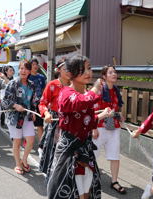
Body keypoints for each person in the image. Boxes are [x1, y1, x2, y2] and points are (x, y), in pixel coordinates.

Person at [47, 55, 111, 199]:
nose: (88, 73)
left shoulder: (85, 94)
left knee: (87, 192)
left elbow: (86, 121)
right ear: (70, 74)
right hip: (69, 149)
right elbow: (80, 102)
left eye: (89, 68)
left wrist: (101, 116)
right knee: (69, 191)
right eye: (82, 70)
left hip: (85, 148)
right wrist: (94, 90)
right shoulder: (66, 93)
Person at [92, 65, 126, 194]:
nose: (114, 74)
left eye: (115, 72)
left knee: (115, 155)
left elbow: (115, 108)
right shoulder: (98, 90)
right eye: (110, 72)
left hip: (113, 126)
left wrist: (119, 114)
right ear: (104, 76)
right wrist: (93, 128)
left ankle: (114, 181)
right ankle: (90, 180)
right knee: (93, 155)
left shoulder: (116, 90)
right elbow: (92, 110)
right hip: (99, 126)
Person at [2, 61, 38, 175]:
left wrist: (33, 111)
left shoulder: (32, 84)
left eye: (26, 69)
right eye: (21, 68)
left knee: (31, 140)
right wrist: (15, 105)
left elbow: (33, 100)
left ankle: (24, 160)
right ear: (19, 70)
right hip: (14, 117)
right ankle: (18, 164)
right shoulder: (13, 83)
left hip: (27, 116)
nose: (23, 71)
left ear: (29, 71)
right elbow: (5, 101)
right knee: (17, 141)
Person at [38, 60, 70, 179]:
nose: (68, 71)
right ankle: (51, 176)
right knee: (53, 148)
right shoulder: (52, 84)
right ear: (59, 70)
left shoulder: (75, 85)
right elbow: (42, 103)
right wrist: (46, 113)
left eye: (70, 68)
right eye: (65, 68)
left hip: (70, 122)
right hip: (55, 120)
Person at [28, 58, 46, 141]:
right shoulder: (27, 76)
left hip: (39, 103)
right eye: (33, 64)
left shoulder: (41, 77)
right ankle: (27, 140)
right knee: (29, 124)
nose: (35, 66)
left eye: (36, 64)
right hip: (28, 103)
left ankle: (41, 144)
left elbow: (43, 90)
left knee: (39, 125)